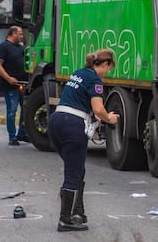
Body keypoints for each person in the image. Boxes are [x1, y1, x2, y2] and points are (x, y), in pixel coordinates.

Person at [48, 49, 119, 232]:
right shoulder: (95, 80)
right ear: (105, 64)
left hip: (56, 121)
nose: (107, 73)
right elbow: (98, 108)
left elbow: (78, 100)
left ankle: (78, 212)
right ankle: (66, 219)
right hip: (72, 126)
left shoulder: (78, 73)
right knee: (73, 172)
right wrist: (108, 118)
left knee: (76, 168)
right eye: (109, 69)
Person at [0, 26, 29, 146]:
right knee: (12, 111)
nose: (21, 36)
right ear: (13, 33)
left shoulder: (20, 48)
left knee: (25, 109)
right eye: (20, 34)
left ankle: (22, 133)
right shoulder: (3, 47)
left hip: (23, 84)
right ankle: (12, 136)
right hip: (10, 85)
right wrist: (8, 78)